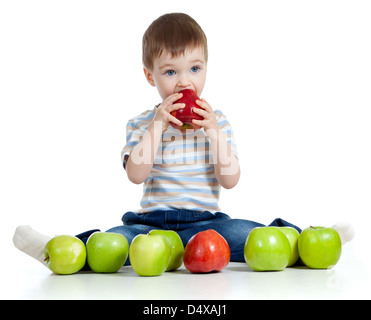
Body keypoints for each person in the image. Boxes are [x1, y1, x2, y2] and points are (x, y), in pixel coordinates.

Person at [13, 13, 354, 268]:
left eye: (194, 69)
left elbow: (231, 180)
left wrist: (214, 133)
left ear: (206, 68)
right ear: (151, 76)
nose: (184, 82)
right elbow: (136, 173)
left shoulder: (216, 121)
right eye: (170, 72)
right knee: (114, 243)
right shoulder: (142, 123)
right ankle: (54, 249)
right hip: (150, 225)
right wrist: (158, 124)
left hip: (206, 224)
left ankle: (316, 240)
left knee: (250, 235)